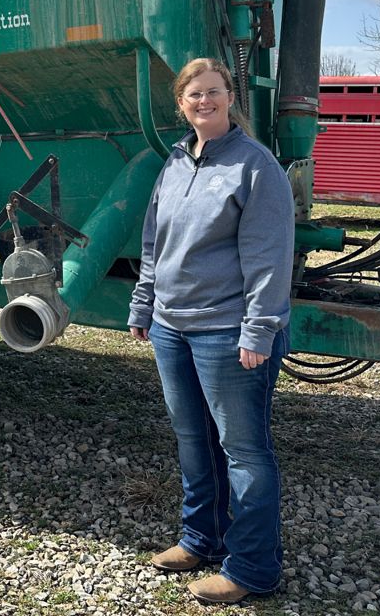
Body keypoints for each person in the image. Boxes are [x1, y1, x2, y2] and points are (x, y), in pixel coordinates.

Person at [127, 57, 294, 605]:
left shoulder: (255, 165)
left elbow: (269, 256)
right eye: (194, 94)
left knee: (244, 451)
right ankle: (201, 538)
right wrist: (143, 305)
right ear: (181, 104)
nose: (205, 101)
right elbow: (155, 242)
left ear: (229, 98)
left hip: (228, 333)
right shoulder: (175, 162)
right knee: (193, 440)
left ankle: (252, 569)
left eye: (214, 92)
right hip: (173, 329)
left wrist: (259, 330)